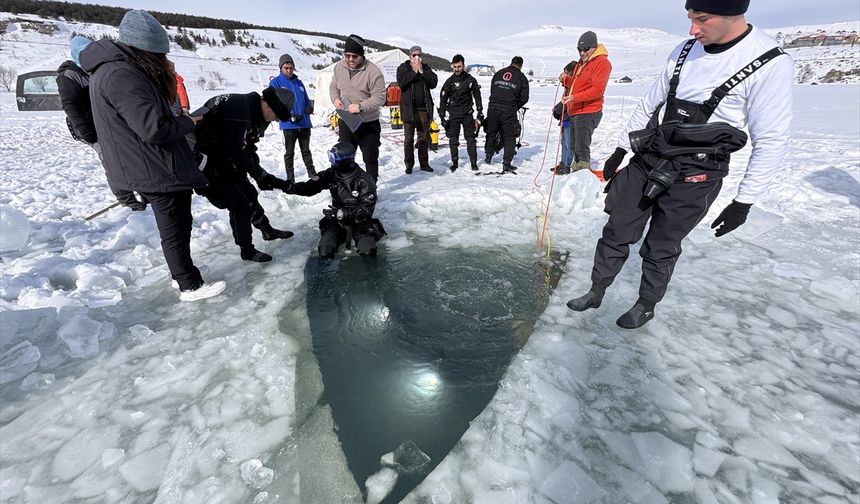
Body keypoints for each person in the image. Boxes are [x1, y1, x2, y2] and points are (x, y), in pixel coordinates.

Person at [567, 0, 793, 328]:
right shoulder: (684, 50)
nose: (692, 29)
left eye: (701, 19)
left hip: (697, 173)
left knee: (661, 244)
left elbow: (771, 140)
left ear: (732, 13)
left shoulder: (768, 62)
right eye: (690, 18)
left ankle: (645, 305)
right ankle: (597, 288)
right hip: (650, 157)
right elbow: (649, 104)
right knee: (616, 229)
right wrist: (620, 150)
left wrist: (743, 201)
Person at [80, 9, 224, 301]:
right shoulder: (122, 74)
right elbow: (153, 127)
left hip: (146, 162)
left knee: (175, 224)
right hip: (153, 165)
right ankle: (189, 285)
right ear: (144, 49)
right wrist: (187, 122)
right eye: (158, 53)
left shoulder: (112, 69)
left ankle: (180, 273)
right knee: (175, 225)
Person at [193, 88, 297, 262]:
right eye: (277, 115)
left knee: (249, 193)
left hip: (223, 158)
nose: (277, 120)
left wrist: (259, 174)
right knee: (239, 204)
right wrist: (261, 175)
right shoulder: (239, 110)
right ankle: (247, 250)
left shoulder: (248, 108)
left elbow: (246, 146)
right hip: (206, 165)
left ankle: (266, 230)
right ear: (268, 105)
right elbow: (237, 151)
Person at [57, 35, 147, 211]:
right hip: (92, 127)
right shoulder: (69, 75)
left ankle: (145, 191)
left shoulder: (96, 69)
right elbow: (71, 106)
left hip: (110, 122)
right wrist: (87, 133)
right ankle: (127, 199)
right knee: (111, 160)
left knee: (132, 154)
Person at [283, 142, 385, 258]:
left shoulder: (364, 180)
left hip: (360, 222)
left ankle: (371, 273)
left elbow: (367, 209)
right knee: (325, 249)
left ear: (345, 160)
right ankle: (324, 273)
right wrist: (287, 186)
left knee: (367, 250)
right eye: (330, 156)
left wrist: (342, 213)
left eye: (334, 158)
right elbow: (309, 188)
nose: (331, 161)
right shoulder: (330, 174)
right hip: (337, 222)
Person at [329, 34, 386, 181]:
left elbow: (380, 97)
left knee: (370, 159)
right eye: (347, 56)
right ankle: (347, 188)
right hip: (347, 122)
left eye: (354, 56)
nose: (350, 59)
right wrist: (335, 99)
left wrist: (361, 106)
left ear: (361, 55)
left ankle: (371, 189)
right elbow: (333, 86)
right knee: (344, 158)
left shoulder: (373, 71)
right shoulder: (339, 67)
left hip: (368, 124)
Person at [559, 31, 612, 173]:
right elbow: (577, 84)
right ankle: (577, 176)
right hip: (575, 111)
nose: (582, 52)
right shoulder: (582, 63)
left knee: (581, 149)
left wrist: (575, 97)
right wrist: (566, 79)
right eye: (579, 49)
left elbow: (597, 90)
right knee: (574, 147)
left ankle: (581, 178)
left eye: (585, 49)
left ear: (594, 47)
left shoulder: (602, 63)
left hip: (588, 112)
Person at [270, 53, 316, 181]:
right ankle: (290, 177)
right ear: (281, 68)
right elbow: (273, 103)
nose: (289, 70)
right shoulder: (276, 82)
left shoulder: (299, 83)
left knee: (306, 150)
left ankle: (312, 172)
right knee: (289, 152)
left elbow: (307, 100)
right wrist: (287, 116)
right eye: (286, 68)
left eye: (291, 67)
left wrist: (309, 108)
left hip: (304, 123)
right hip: (288, 124)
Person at [396, 45, 438, 174]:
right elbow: (402, 83)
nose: (417, 57)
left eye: (419, 55)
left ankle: (424, 164)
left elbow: (433, 83)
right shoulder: (403, 68)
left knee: (423, 138)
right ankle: (409, 164)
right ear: (410, 56)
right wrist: (414, 72)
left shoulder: (425, 68)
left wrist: (422, 72)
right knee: (409, 139)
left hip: (423, 110)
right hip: (409, 110)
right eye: (414, 55)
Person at [484, 56, 529, 173]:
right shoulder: (521, 77)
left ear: (511, 63)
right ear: (521, 65)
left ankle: (488, 157)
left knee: (491, 132)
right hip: (508, 110)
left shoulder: (499, 73)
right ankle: (507, 164)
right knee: (510, 137)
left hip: (493, 107)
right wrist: (515, 106)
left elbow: (492, 89)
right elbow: (524, 98)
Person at [438, 54, 484, 171]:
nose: (457, 69)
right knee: (453, 140)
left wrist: (480, 112)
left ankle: (473, 163)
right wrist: (442, 116)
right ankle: (455, 162)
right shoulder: (449, 82)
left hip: (467, 115)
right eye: (455, 67)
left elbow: (477, 97)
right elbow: (443, 99)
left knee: (471, 139)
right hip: (454, 115)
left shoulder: (470, 80)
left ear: (463, 65)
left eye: (459, 66)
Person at [554, 61, 575, 174]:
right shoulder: (567, 88)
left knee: (569, 143)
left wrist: (560, 108)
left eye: (566, 73)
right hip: (564, 118)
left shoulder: (574, 86)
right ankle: (562, 162)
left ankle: (567, 165)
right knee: (563, 142)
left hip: (570, 118)